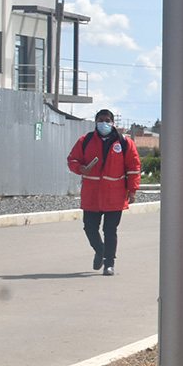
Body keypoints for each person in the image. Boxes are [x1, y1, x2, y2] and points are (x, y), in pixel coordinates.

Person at [66, 108, 140, 276]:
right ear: (96, 122)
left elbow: (134, 167)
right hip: (92, 194)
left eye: (107, 120)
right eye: (100, 120)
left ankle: (109, 263)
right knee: (90, 228)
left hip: (115, 194)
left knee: (110, 230)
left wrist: (132, 190)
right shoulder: (85, 140)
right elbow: (72, 159)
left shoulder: (124, 142)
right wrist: (80, 168)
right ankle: (100, 252)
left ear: (113, 123)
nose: (104, 123)